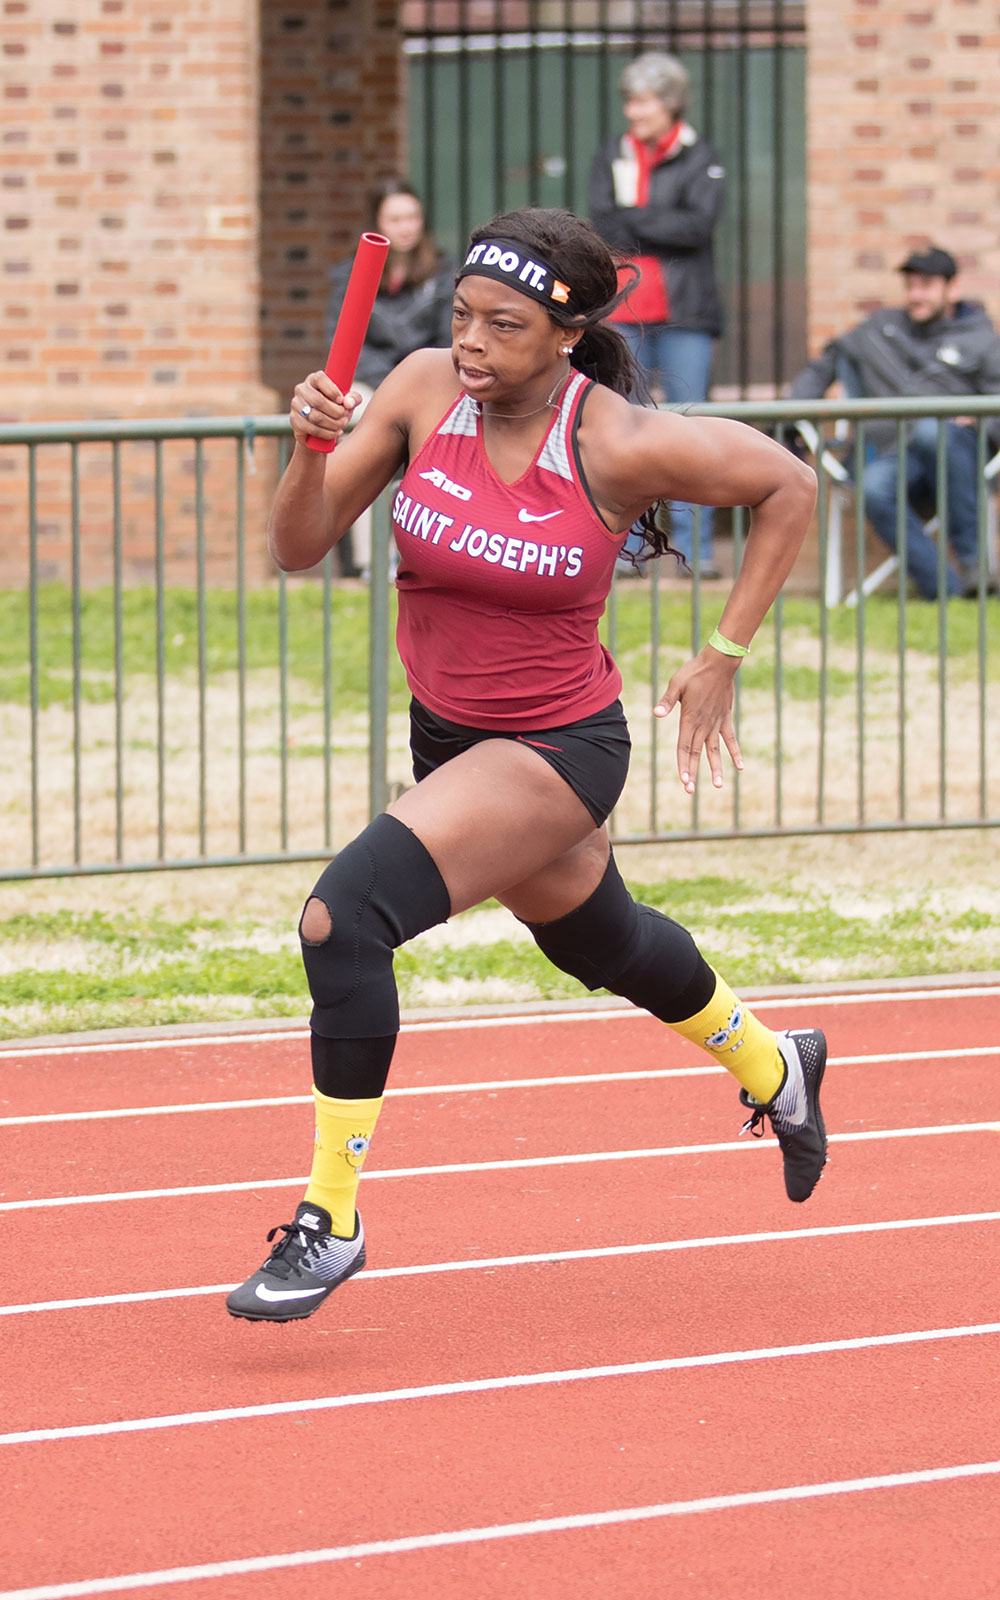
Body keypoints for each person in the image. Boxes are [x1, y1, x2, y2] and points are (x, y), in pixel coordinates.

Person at [226, 206, 825, 1324]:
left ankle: (329, 1216)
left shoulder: (618, 440)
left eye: (502, 326)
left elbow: (787, 486)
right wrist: (307, 452)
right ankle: (775, 1063)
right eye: (460, 315)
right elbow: (296, 547)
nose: (470, 342)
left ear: (566, 337)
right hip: (450, 737)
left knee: (340, 919)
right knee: (600, 941)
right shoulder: (415, 390)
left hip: (557, 748)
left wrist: (722, 654)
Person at [789, 245, 1000, 600]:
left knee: (934, 430)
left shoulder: (982, 340)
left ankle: (975, 562)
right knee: (872, 487)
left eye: (926, 285)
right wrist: (793, 416)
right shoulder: (880, 329)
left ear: (953, 289)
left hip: (962, 459)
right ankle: (945, 590)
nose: (915, 295)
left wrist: (981, 423)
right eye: (911, 286)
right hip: (894, 453)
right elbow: (825, 363)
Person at [588, 50, 726, 576]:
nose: (633, 112)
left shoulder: (701, 156)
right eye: (629, 101)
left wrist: (635, 221)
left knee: (694, 427)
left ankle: (700, 552)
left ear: (669, 104)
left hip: (686, 315)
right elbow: (604, 226)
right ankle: (621, 550)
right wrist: (653, 222)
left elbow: (698, 228)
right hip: (623, 316)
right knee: (620, 428)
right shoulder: (612, 154)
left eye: (642, 101)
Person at [324, 177, 454, 577]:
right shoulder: (352, 275)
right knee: (357, 423)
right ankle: (369, 560)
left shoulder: (444, 273)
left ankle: (425, 554)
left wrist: (410, 385)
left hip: (426, 385)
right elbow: (346, 344)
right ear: (377, 223)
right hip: (373, 385)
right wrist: (389, 388)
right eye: (395, 218)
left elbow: (446, 342)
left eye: (412, 217)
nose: (406, 226)